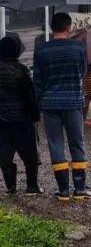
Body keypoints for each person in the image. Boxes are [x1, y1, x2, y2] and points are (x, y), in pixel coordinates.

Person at [33, 12, 91, 201]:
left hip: (49, 104)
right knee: (77, 143)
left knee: (56, 144)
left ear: (51, 28)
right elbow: (83, 72)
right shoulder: (79, 48)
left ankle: (64, 191)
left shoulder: (41, 50)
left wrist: (38, 103)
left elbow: (38, 81)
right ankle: (80, 190)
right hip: (73, 102)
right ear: (69, 28)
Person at [0, 35, 43, 196]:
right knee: (30, 154)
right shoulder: (22, 69)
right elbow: (30, 97)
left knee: (4, 154)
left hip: (1, 121)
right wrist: (35, 115)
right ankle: (32, 186)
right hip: (22, 119)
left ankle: (10, 186)